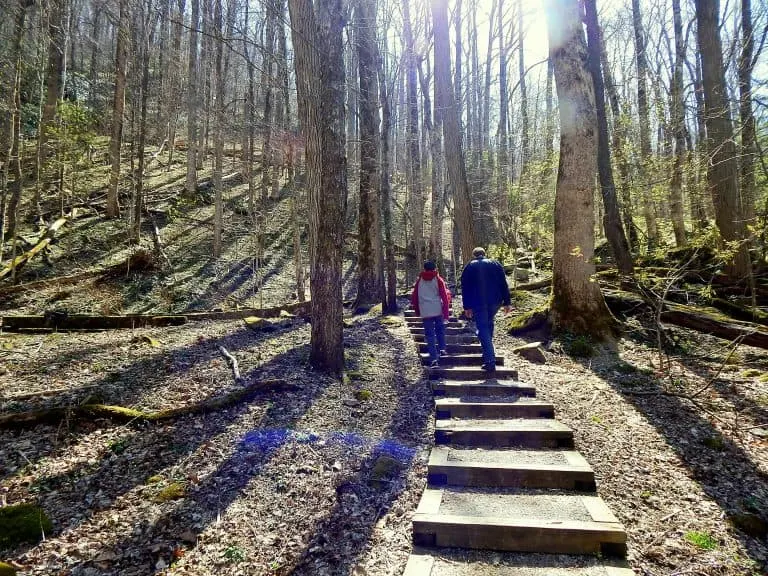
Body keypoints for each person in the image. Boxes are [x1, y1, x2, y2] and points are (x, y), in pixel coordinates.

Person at [460, 247, 512, 372]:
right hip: (495, 302)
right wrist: (507, 302)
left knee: (482, 328)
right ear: (484, 254)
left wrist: (467, 306)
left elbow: (465, 287)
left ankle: (490, 360)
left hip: (478, 303)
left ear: (474, 255)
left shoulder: (469, 267)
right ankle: (487, 353)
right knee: (488, 324)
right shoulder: (495, 264)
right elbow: (503, 283)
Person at [411, 261, 452, 367]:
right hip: (437, 309)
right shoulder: (438, 279)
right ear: (435, 268)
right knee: (440, 330)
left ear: (424, 269)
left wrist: (417, 311)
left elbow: (414, 297)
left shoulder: (419, 280)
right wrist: (446, 314)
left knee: (429, 335)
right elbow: (444, 296)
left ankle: (433, 359)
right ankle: (442, 349)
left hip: (425, 311)